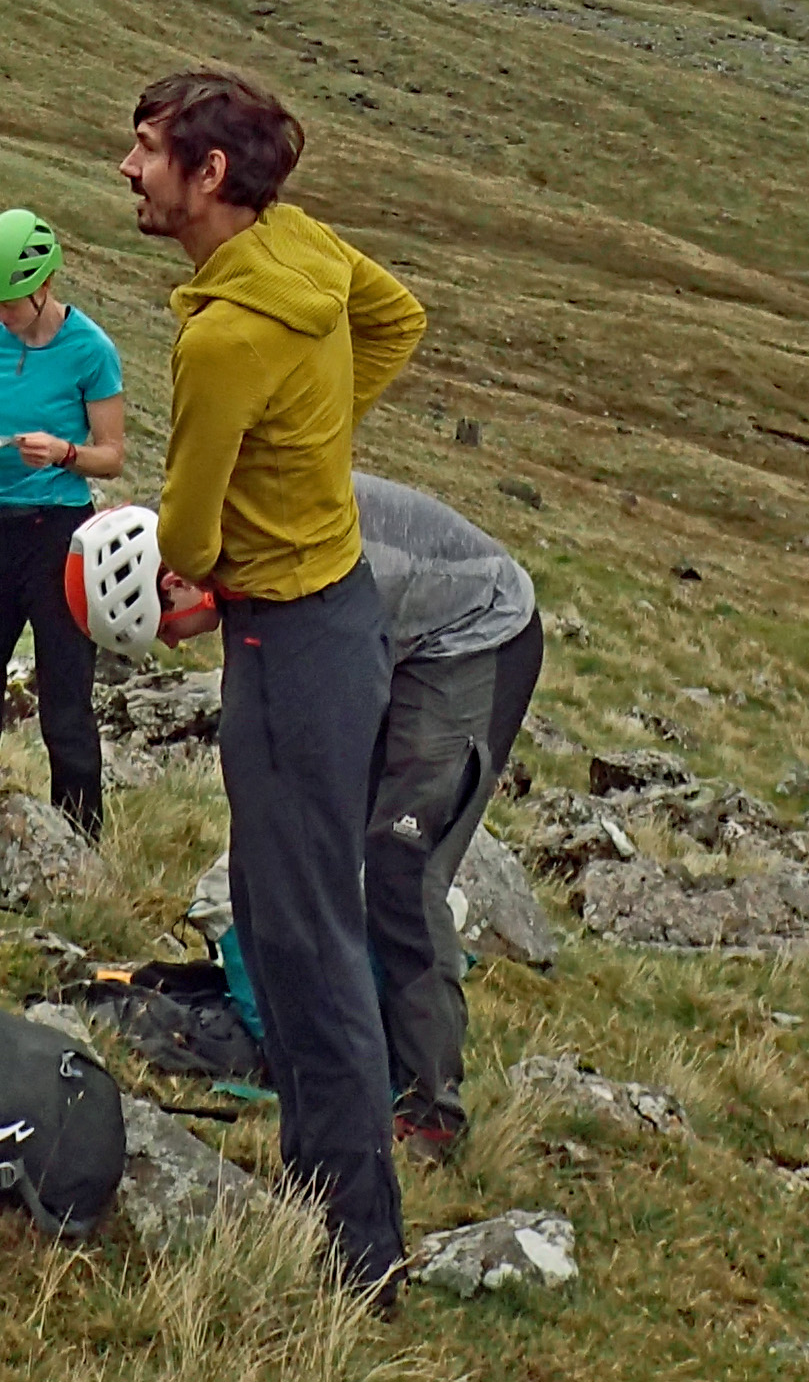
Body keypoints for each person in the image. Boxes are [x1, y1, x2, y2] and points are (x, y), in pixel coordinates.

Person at [122, 64, 426, 1300]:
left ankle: (361, 1250)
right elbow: (397, 318)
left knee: (306, 934)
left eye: (147, 148)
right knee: (277, 913)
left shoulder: (222, 335)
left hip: (285, 640)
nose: (127, 168)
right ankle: (320, 1191)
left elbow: (188, 534)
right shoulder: (299, 244)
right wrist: (314, 436)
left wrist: (280, 459)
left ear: (208, 174)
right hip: (321, 621)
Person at [354, 471, 543, 1152]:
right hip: (408, 636)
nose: (175, 646)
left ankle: (431, 1106)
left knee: (403, 864)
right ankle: (363, 1052)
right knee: (351, 837)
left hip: (481, 634)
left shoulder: (298, 559)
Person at [0, 209, 126, 838]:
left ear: (44, 284)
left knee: (65, 689)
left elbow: (111, 456)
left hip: (59, 534)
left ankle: (80, 832)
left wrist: (63, 452)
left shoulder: (90, 350)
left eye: (9, 302)